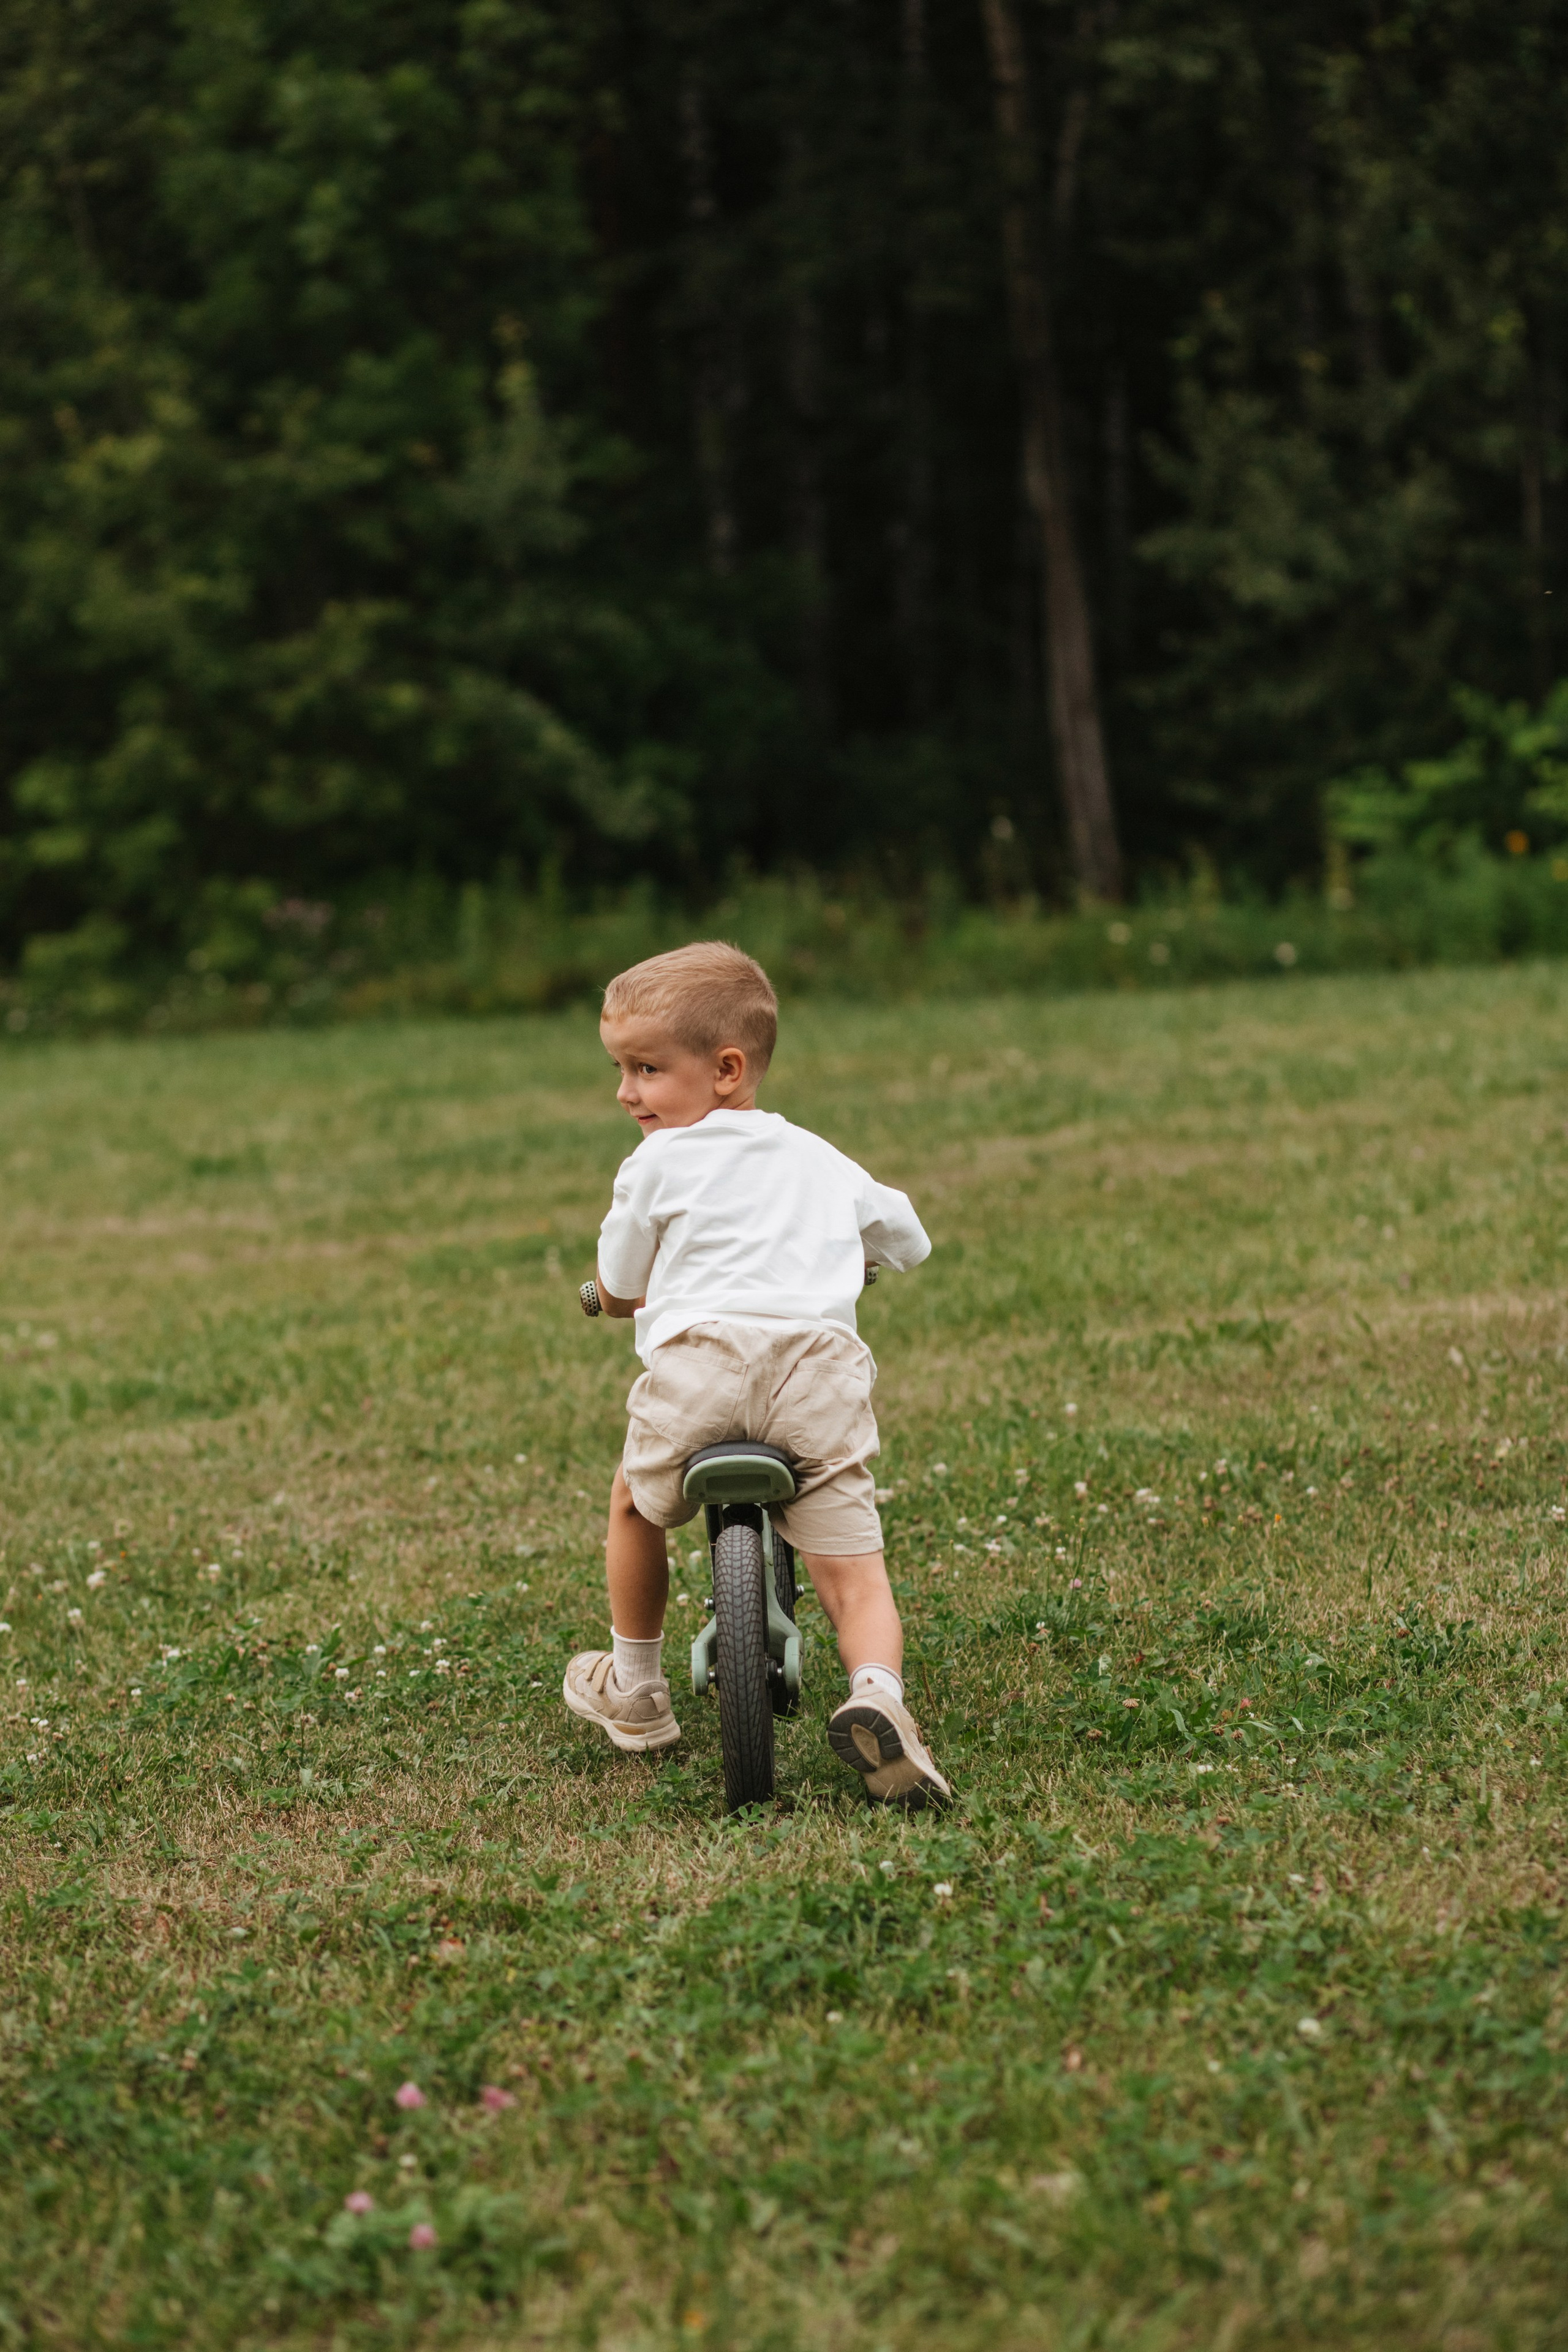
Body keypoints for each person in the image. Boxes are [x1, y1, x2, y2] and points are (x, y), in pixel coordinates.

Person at [562, 939, 951, 1809]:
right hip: (817, 1376)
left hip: (701, 1369)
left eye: (647, 1069)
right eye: (622, 1070)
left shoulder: (656, 1163)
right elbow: (911, 1238)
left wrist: (619, 1298)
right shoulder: (818, 1156)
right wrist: (858, 1255)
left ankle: (635, 1687)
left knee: (633, 1499)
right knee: (854, 1574)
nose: (626, 1092)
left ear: (726, 1069)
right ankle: (878, 1696)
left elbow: (623, 1284)